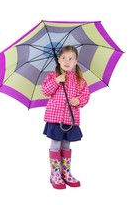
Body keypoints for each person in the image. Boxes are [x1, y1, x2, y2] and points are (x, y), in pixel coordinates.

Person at [42, 45, 90, 189]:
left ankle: (66, 173)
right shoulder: (52, 76)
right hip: (55, 119)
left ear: (75, 61)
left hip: (70, 119)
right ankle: (55, 174)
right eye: (64, 58)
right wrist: (57, 80)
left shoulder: (79, 79)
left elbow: (86, 95)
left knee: (66, 145)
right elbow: (45, 91)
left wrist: (79, 101)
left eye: (70, 58)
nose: (67, 61)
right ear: (58, 60)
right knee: (56, 144)